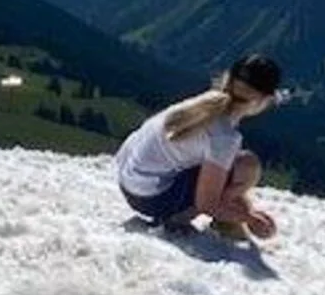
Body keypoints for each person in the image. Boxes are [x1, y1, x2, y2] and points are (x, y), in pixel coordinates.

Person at [116, 54, 282, 240]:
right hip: (151, 200)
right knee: (247, 166)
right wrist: (250, 218)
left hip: (128, 183)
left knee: (227, 167)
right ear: (265, 99)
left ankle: (224, 219)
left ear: (228, 78)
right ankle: (179, 218)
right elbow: (207, 204)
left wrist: (246, 210)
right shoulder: (224, 137)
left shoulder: (202, 105)